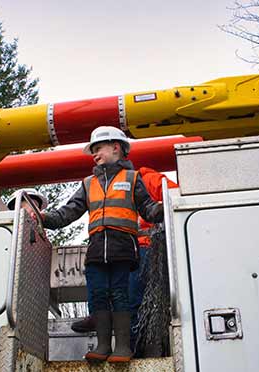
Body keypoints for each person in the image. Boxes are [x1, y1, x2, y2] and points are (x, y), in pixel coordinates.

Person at [41, 126, 163, 363]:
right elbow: (68, 212)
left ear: (116, 147)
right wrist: (46, 218)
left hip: (123, 247)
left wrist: (160, 208)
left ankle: (123, 348)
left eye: (98, 148)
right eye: (93, 150)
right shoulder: (88, 183)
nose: (94, 154)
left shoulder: (133, 178)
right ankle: (103, 345)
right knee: (97, 294)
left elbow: (148, 208)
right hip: (96, 248)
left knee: (120, 294)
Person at [128, 167, 178, 355]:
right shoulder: (119, 187)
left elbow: (175, 197)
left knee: (134, 301)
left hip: (147, 247)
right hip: (127, 251)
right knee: (127, 302)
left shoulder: (150, 180)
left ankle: (138, 350)